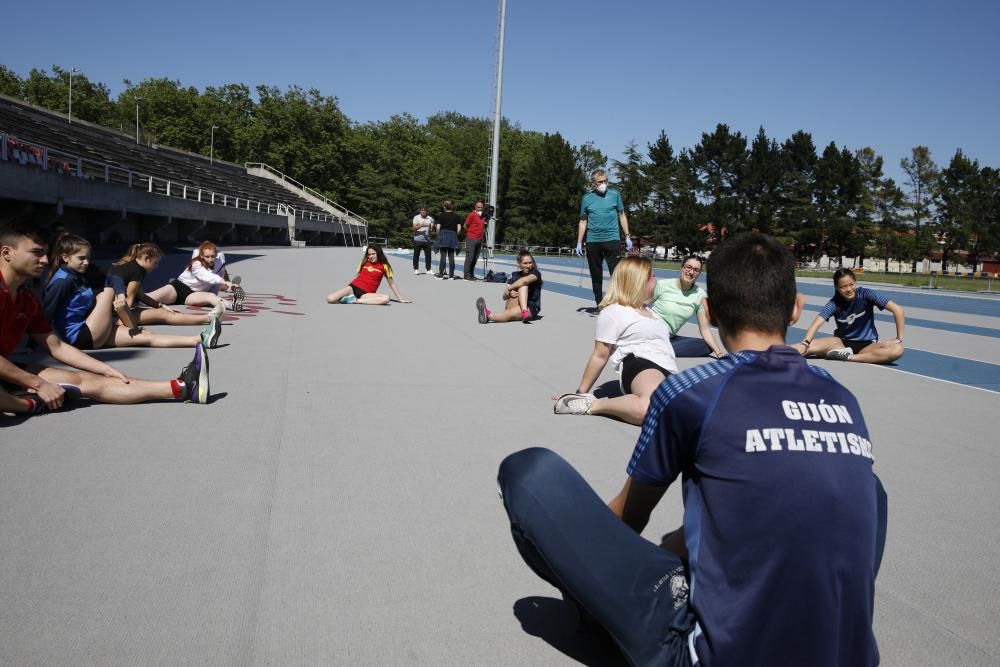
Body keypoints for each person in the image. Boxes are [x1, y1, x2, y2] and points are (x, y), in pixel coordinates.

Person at [499, 232, 886, 666]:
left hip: (713, 654)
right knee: (869, 488)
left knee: (528, 472)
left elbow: (629, 517)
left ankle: (602, 617)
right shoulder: (843, 400)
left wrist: (581, 566)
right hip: (845, 654)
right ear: (796, 308)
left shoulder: (690, 392)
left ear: (712, 313)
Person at [1, 221, 211, 415]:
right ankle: (26, 404)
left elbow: (56, 347)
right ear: (7, 253)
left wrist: (106, 369)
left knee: (88, 380)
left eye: (46, 253)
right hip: (70, 338)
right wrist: (37, 383)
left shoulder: (26, 299)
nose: (45, 260)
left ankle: (183, 388)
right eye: (37, 253)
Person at [552, 257, 677, 425]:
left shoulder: (650, 312)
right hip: (640, 362)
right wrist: (580, 393)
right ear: (640, 281)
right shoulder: (614, 312)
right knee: (648, 408)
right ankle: (593, 405)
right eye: (653, 276)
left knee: (680, 413)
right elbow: (600, 355)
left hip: (669, 369)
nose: (656, 281)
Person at [43, 234, 221, 350]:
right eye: (81, 258)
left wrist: (154, 304)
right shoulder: (62, 282)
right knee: (107, 291)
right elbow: (45, 316)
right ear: (65, 258)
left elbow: (114, 278)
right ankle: (131, 325)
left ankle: (198, 339)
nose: (86, 262)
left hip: (93, 327)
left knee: (146, 337)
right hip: (81, 336)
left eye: (88, 258)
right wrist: (44, 344)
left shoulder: (82, 273)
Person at [105, 242, 221, 334]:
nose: (157, 267)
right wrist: (132, 328)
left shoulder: (130, 267)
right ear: (146, 259)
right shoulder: (138, 271)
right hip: (113, 316)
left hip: (108, 311)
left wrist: (161, 305)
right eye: (155, 263)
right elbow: (128, 302)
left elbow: (141, 295)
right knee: (164, 315)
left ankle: (208, 318)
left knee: (162, 311)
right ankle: (208, 318)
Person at [795, 268, 905, 364]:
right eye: (843, 287)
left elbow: (897, 310)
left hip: (867, 346)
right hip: (840, 344)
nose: (848, 289)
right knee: (801, 348)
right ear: (836, 287)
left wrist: (898, 338)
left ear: (855, 282)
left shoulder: (866, 294)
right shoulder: (834, 303)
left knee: (897, 350)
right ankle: (778, 354)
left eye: (851, 284)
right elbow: (816, 324)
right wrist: (805, 343)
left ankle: (848, 357)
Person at [650, 254, 724, 358]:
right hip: (650, 331)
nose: (691, 272)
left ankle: (655, 349)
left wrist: (719, 353)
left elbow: (705, 328)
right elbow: (641, 304)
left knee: (706, 346)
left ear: (699, 274)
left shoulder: (700, 295)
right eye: (688, 267)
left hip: (668, 338)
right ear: (682, 267)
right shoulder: (663, 285)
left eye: (696, 270)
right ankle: (654, 347)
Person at [577, 169, 631, 307]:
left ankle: (618, 302)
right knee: (596, 274)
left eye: (605, 181)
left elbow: (622, 215)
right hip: (593, 240)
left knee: (617, 273)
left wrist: (627, 236)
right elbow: (583, 221)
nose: (603, 184)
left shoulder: (615, 194)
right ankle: (599, 302)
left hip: (612, 239)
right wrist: (579, 242)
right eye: (600, 182)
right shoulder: (587, 198)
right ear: (594, 183)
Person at [146, 241, 245, 312]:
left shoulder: (219, 262)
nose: (210, 259)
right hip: (179, 287)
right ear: (201, 255)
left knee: (211, 297)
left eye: (213, 256)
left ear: (216, 255)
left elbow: (216, 285)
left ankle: (233, 305)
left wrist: (214, 294)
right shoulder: (196, 263)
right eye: (207, 256)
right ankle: (131, 298)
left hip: (193, 295)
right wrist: (225, 282)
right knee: (147, 299)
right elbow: (205, 276)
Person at [326, 244, 410, 305]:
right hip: (352, 288)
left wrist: (400, 299)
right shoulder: (364, 261)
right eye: (369, 254)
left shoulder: (384, 266)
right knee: (330, 299)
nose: (371, 256)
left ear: (378, 253)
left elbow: (392, 284)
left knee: (386, 298)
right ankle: (349, 298)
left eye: (373, 254)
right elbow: (357, 276)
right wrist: (347, 289)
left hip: (366, 294)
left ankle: (355, 300)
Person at [475, 250, 542, 323]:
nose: (528, 266)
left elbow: (525, 281)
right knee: (509, 310)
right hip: (514, 303)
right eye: (525, 263)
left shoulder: (536, 273)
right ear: (519, 264)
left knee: (523, 285)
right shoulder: (514, 275)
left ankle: (489, 316)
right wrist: (510, 293)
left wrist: (510, 287)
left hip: (531, 308)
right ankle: (522, 312)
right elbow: (504, 297)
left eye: (530, 263)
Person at [434, 201, 462, 279]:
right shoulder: (456, 216)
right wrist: (456, 234)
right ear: (451, 207)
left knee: (443, 255)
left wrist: (438, 234)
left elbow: (438, 227)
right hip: (453, 235)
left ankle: (441, 273)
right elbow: (459, 229)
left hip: (443, 235)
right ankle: (451, 274)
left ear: (444, 207)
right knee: (451, 255)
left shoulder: (441, 215)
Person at [462, 200, 486, 280]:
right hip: (471, 238)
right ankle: (466, 275)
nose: (480, 209)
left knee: (475, 258)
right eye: (478, 207)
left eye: (481, 207)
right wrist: (470, 232)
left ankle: (471, 274)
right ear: (475, 207)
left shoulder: (483, 216)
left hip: (479, 239)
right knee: (470, 257)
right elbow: (465, 225)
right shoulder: (471, 214)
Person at [411, 206, 434, 275]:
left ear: (427, 211)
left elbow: (431, 230)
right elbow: (414, 228)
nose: (423, 211)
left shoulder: (430, 218)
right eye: (422, 210)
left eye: (424, 210)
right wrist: (421, 225)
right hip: (417, 239)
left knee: (428, 255)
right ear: (420, 211)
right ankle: (416, 269)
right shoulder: (416, 217)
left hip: (427, 240)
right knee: (416, 255)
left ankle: (428, 269)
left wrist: (431, 228)